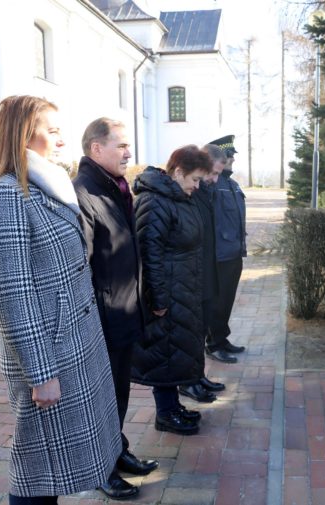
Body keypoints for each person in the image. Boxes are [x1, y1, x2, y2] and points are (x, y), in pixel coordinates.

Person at [0, 96, 122, 504]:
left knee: (55, 471)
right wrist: (41, 373)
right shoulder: (3, 196)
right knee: (39, 472)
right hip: (49, 355)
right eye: (52, 131)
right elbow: (12, 294)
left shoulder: (47, 186)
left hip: (74, 345)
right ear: (23, 133)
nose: (62, 140)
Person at [73, 118, 159, 492]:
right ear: (96, 148)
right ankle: (101, 469)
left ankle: (117, 450)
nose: (128, 153)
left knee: (118, 393)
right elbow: (81, 267)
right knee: (101, 400)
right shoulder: (84, 193)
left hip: (123, 313)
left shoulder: (116, 188)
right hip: (102, 320)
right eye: (121, 145)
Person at [131, 145, 211, 435]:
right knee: (164, 352)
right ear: (178, 172)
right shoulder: (154, 202)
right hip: (166, 293)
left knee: (176, 351)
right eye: (195, 179)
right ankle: (165, 414)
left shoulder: (179, 197)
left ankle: (173, 406)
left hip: (183, 288)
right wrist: (159, 299)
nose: (197, 186)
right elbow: (149, 254)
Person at [177, 144, 229, 401]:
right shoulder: (189, 193)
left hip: (206, 275)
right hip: (193, 278)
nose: (214, 180)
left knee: (200, 331)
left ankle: (197, 376)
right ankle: (188, 381)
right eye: (213, 173)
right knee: (190, 334)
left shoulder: (204, 191)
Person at [206, 135, 247, 362]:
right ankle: (213, 344)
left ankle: (222, 339)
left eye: (231, 156)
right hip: (219, 255)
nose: (232, 159)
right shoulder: (212, 184)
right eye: (228, 156)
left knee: (227, 300)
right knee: (217, 303)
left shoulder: (232, 185)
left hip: (234, 252)